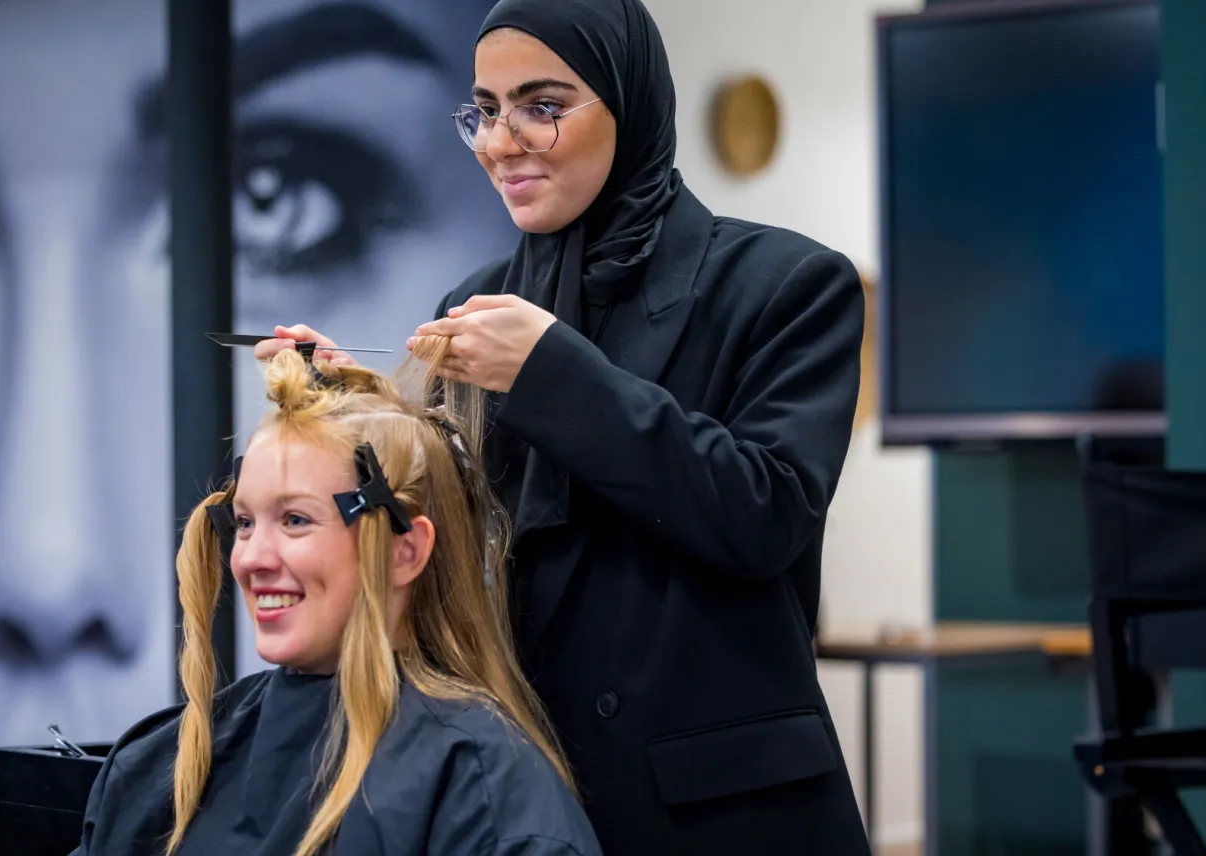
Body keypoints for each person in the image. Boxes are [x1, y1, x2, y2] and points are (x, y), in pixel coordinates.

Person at [0, 0, 514, 813]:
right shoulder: (153, 781)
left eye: (272, 196)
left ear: (411, 546)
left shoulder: (490, 797)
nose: (48, 572)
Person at [255, 0, 873, 853]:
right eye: (485, 109)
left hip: (724, 813)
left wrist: (552, 372)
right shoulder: (473, 305)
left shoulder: (787, 284)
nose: (500, 141)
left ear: (631, 102)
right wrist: (350, 404)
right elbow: (440, 524)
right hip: (526, 800)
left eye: (542, 107)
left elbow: (762, 515)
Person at [71, 345, 601, 856]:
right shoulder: (159, 767)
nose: (252, 558)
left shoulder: (482, 793)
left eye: (295, 520)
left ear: (405, 550)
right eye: (246, 523)